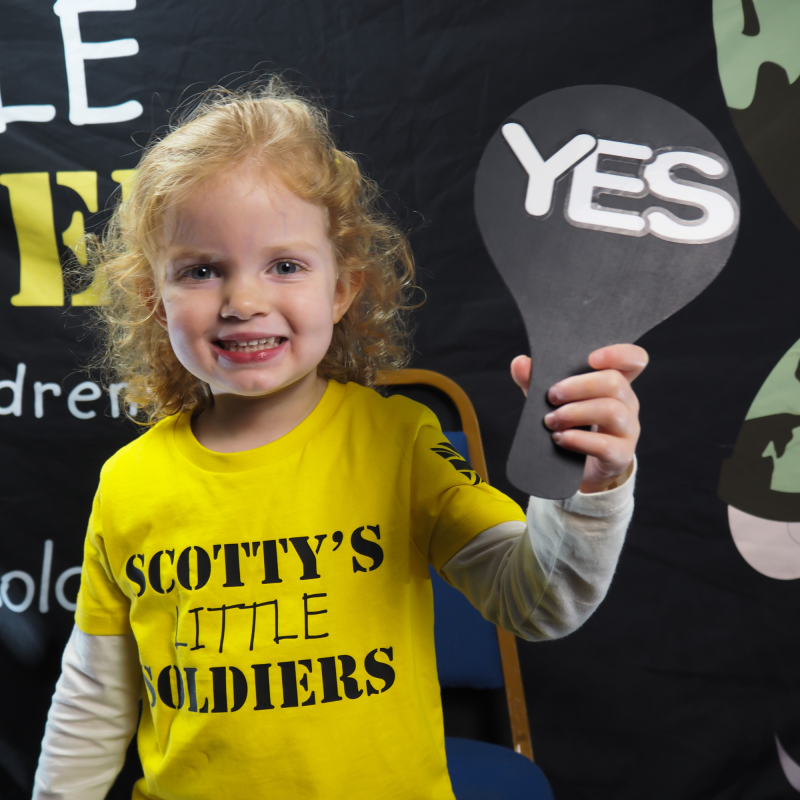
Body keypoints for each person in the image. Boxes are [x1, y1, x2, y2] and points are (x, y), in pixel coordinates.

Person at [33, 79, 647, 800]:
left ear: (343, 288)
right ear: (153, 298)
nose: (243, 301)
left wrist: (588, 483)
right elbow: (95, 697)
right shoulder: (129, 482)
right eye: (201, 270)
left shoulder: (398, 442)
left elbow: (539, 602)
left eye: (285, 266)